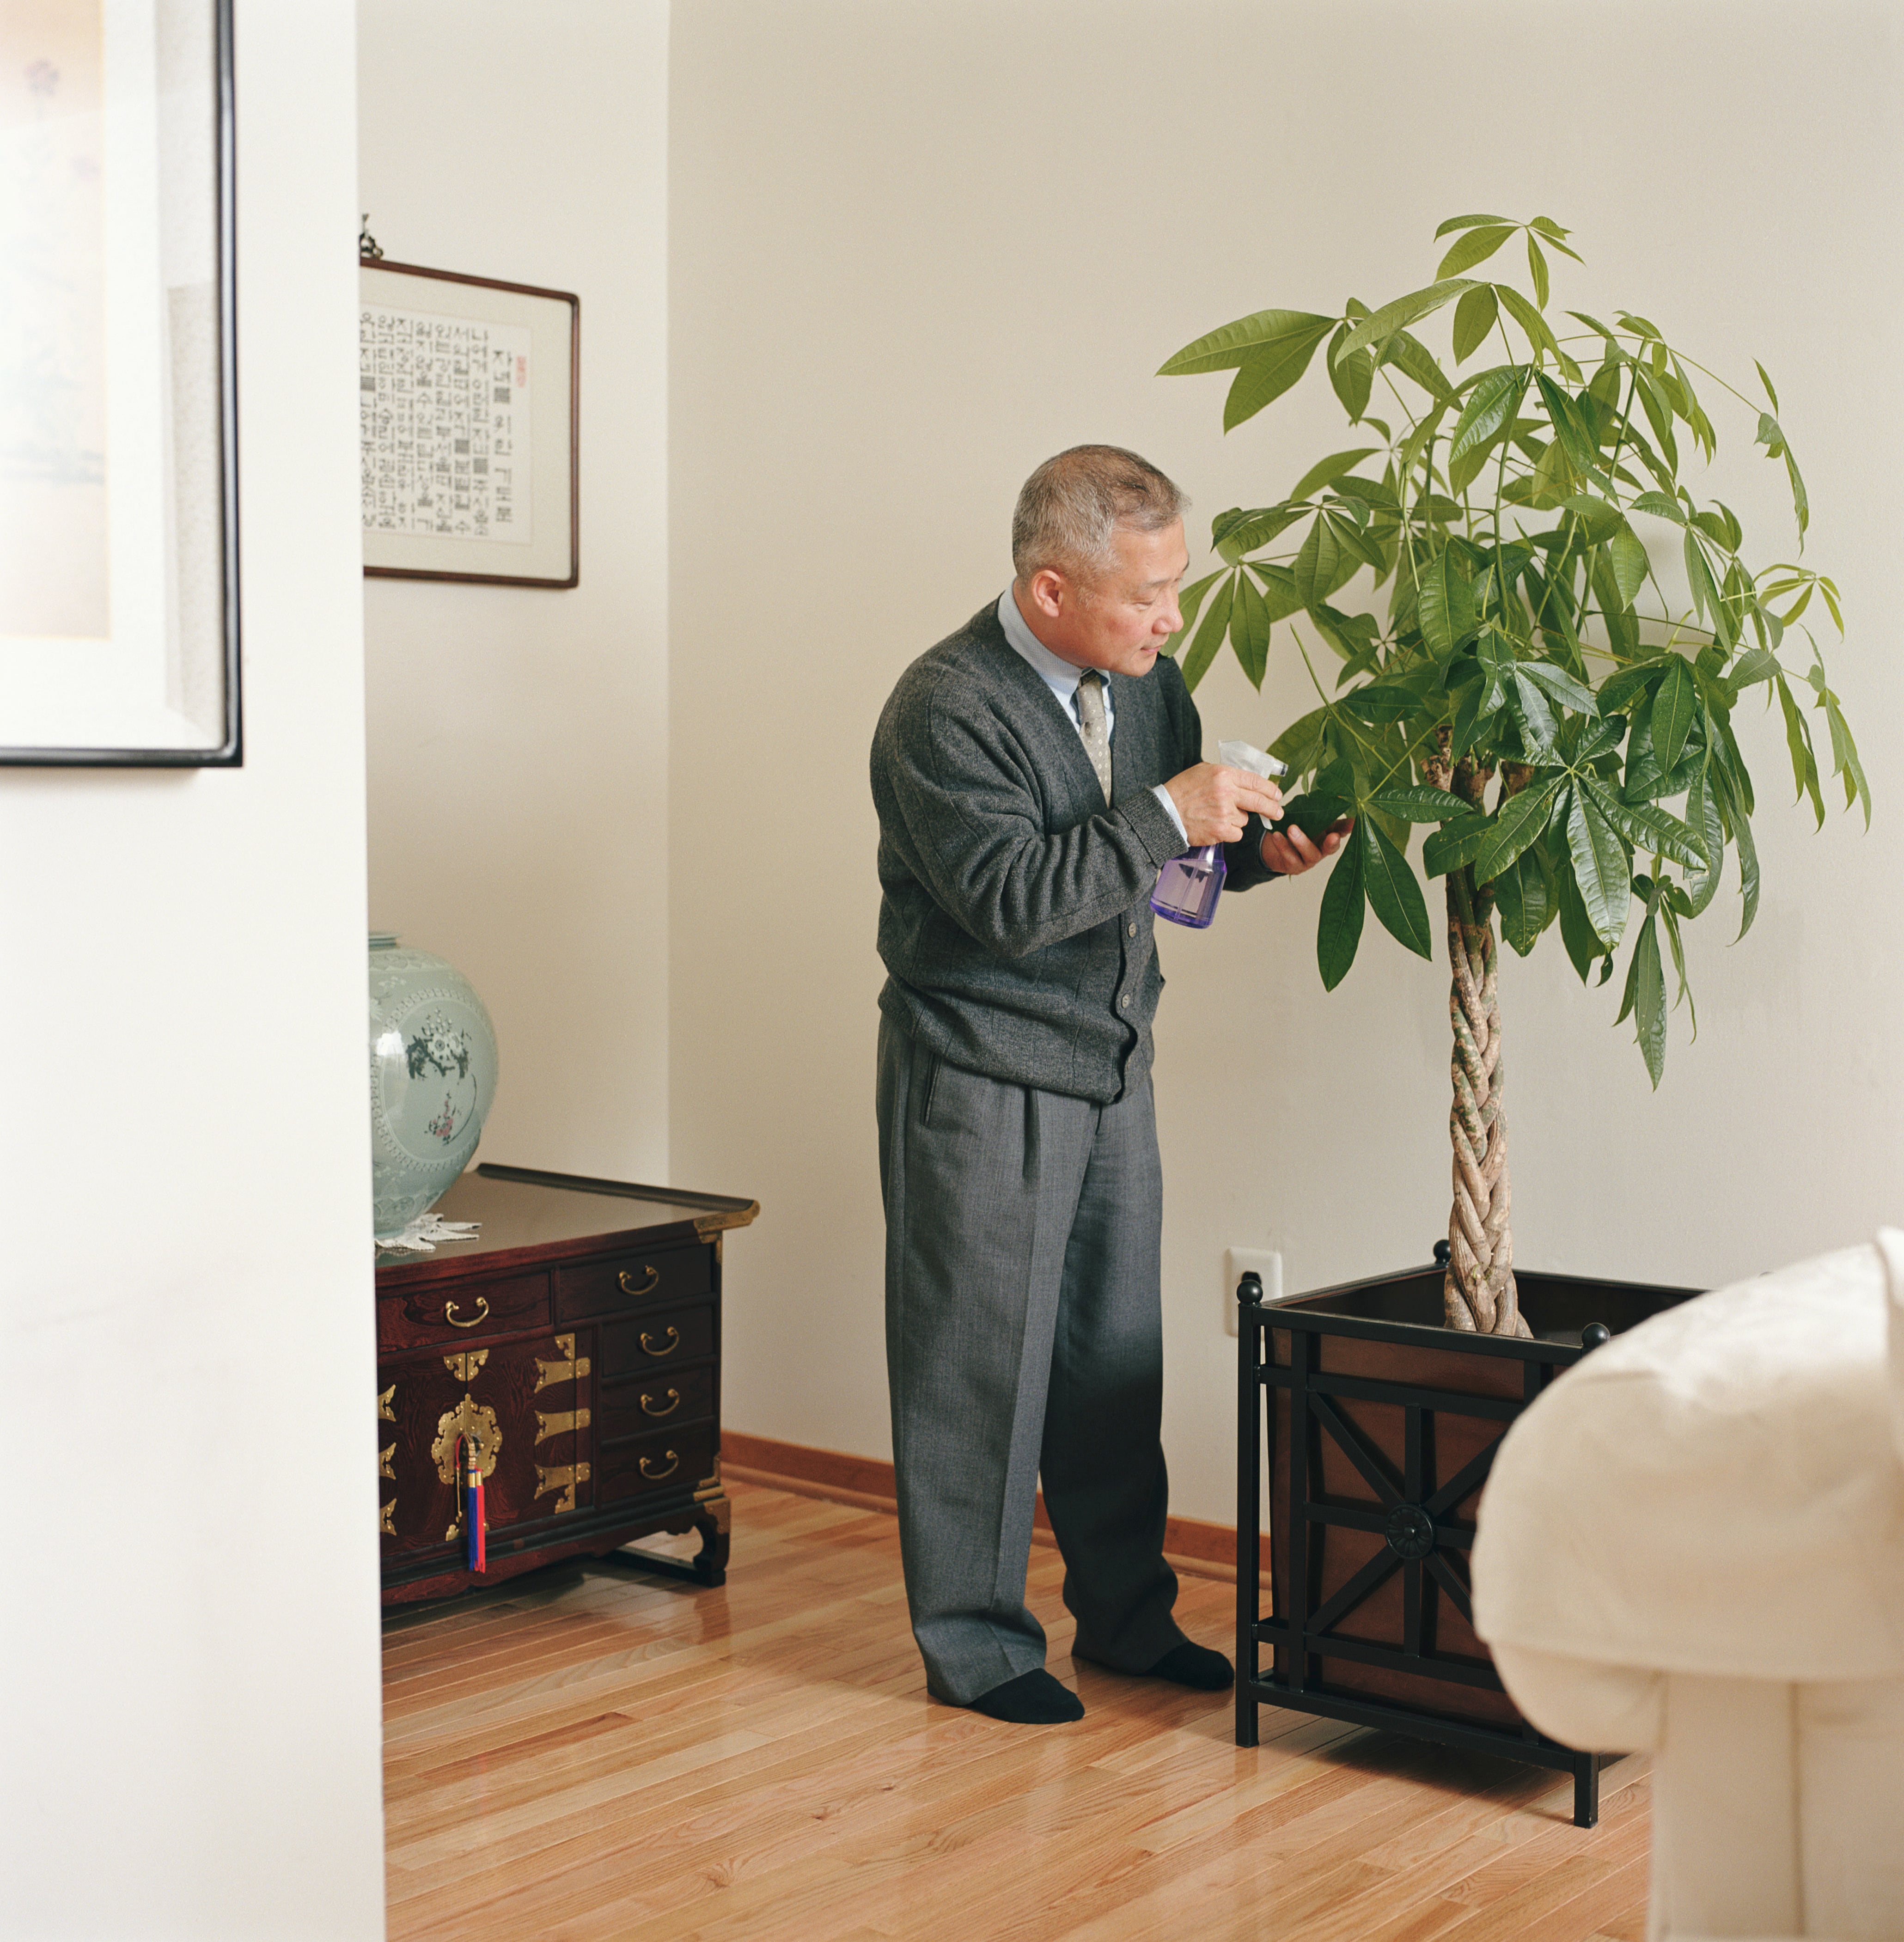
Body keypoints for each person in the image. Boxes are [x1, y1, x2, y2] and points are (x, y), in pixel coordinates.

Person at [869, 445, 1350, 1724]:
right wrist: (1168, 813)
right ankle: (975, 1646)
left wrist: (1260, 853)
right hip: (978, 1070)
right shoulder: (942, 709)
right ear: (1047, 590)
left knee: (1110, 1363)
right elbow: (1016, 902)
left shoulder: (1146, 680)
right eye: (1148, 594)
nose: (1173, 618)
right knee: (977, 1368)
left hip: (1112, 1063)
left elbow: (1159, 863)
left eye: (1176, 586)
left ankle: (1129, 1621)